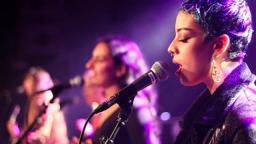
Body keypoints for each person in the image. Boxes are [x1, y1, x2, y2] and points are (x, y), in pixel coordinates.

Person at [168, 0, 256, 143]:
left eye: (184, 38)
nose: (171, 47)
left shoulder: (245, 114)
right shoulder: (210, 112)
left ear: (219, 45)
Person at [74, 35, 161, 144]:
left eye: (99, 59)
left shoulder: (135, 108)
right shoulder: (106, 107)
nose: (89, 65)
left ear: (120, 69)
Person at [6, 67, 69, 144]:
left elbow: (41, 137)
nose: (30, 95)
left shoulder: (51, 105)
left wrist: (18, 135)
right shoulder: (34, 104)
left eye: (32, 90)